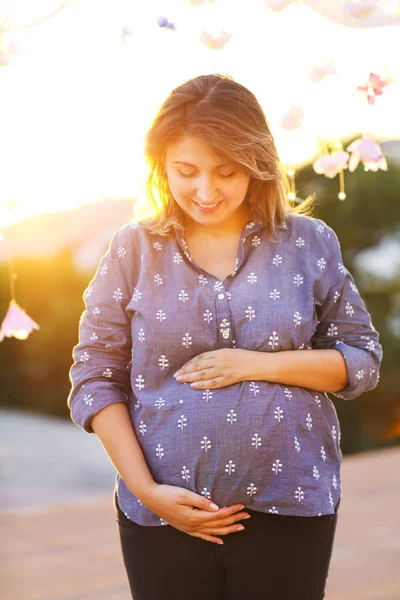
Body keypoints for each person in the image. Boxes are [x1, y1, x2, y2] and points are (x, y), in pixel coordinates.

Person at [67, 74, 382, 600]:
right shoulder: (133, 249)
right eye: (186, 172)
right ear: (160, 164)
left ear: (256, 165)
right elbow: (94, 377)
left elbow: (362, 361)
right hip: (162, 517)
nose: (206, 192)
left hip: (292, 507)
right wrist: (148, 492)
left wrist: (252, 363)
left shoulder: (309, 242)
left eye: (226, 172)